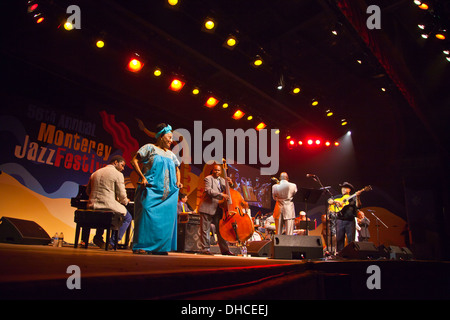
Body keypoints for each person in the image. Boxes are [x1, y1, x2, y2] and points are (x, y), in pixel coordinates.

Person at [130, 123, 182, 255]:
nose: (171, 141)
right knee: (146, 215)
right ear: (160, 137)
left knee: (166, 219)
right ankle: (142, 245)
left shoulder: (171, 154)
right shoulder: (149, 148)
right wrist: (142, 177)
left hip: (168, 193)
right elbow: (134, 160)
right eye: (169, 137)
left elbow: (177, 169)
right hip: (150, 189)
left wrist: (178, 182)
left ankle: (161, 248)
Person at [86, 155, 132, 249]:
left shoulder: (95, 173)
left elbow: (88, 191)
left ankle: (98, 237)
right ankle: (112, 242)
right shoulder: (118, 174)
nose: (123, 168)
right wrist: (125, 201)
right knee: (128, 217)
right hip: (108, 205)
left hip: (92, 205)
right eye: (122, 165)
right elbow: (122, 194)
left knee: (103, 215)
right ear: (115, 162)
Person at [198, 164, 235, 255]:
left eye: (218, 170)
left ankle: (225, 250)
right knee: (205, 230)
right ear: (212, 170)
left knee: (221, 231)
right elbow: (208, 190)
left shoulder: (223, 180)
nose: (217, 172)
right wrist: (221, 195)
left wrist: (230, 184)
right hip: (207, 207)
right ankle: (205, 249)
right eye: (215, 170)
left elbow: (228, 191)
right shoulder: (208, 178)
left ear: (221, 171)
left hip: (218, 208)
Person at [327, 182, 362, 252]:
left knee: (350, 239)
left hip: (350, 220)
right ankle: (340, 254)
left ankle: (351, 253)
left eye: (345, 188)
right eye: (342, 188)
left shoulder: (353, 198)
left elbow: (358, 206)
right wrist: (336, 202)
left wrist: (358, 197)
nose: (343, 189)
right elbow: (329, 200)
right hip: (340, 220)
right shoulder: (339, 196)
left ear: (349, 190)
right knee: (339, 239)